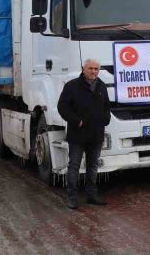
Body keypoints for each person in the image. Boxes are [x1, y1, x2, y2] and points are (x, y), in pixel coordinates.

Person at [57, 58, 111, 209]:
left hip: (96, 134)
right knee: (74, 166)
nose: (93, 71)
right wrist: (76, 121)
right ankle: (72, 198)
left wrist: (105, 120)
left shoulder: (101, 86)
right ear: (83, 69)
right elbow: (62, 107)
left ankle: (91, 195)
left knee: (92, 166)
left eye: (96, 69)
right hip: (78, 134)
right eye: (91, 68)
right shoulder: (71, 86)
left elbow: (107, 106)